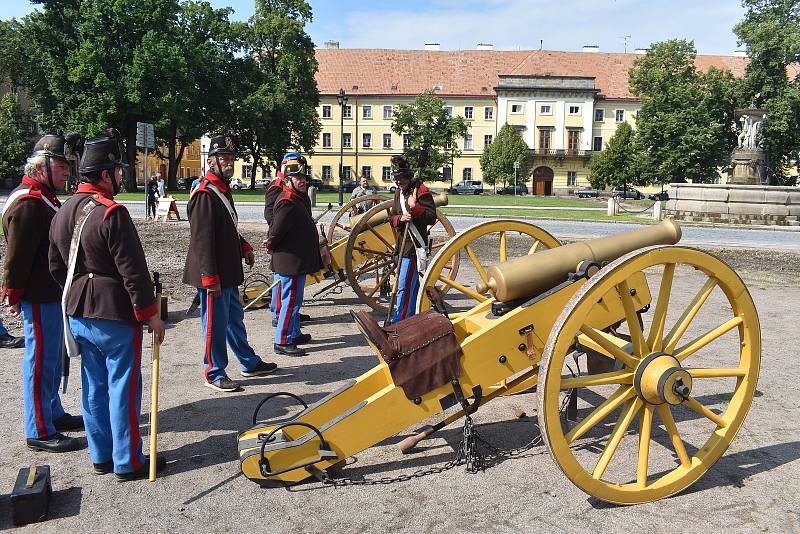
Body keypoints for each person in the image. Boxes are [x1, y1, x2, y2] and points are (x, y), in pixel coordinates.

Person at [49, 128, 167, 480]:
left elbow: (56, 266)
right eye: (117, 171)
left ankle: (100, 455)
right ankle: (127, 460)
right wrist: (150, 316)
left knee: (94, 386)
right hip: (114, 315)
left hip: (78, 312)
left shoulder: (63, 211)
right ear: (104, 175)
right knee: (124, 388)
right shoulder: (111, 213)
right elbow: (134, 272)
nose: (120, 177)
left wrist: (75, 295)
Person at [2, 133, 85, 453]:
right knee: (39, 361)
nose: (67, 171)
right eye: (61, 165)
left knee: (51, 359)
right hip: (38, 295)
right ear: (41, 167)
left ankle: (51, 412)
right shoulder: (28, 201)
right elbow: (17, 256)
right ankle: (38, 428)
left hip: (51, 293)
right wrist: (13, 293)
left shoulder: (43, 197)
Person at [183, 133, 277, 392]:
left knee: (234, 319)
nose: (229, 162)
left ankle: (248, 361)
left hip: (228, 269)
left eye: (231, 157)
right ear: (210, 161)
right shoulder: (205, 193)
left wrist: (243, 244)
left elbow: (225, 228)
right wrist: (209, 278)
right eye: (224, 157)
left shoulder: (221, 189)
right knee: (214, 324)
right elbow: (203, 240)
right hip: (214, 273)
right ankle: (213, 372)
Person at [264, 155, 322, 356]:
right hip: (290, 260)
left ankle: (292, 334)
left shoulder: (296, 198)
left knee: (295, 301)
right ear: (288, 180)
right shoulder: (287, 201)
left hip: (296, 260)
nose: (303, 180)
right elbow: (276, 230)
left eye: (303, 177)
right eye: (297, 178)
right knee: (289, 302)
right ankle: (282, 340)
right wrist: (270, 243)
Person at [263, 152, 311, 328]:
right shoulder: (278, 186)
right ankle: (278, 313)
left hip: (292, 235)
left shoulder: (297, 186)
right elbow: (270, 213)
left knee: (292, 292)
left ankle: (292, 317)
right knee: (282, 284)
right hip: (283, 239)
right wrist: (277, 233)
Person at [388, 155, 436, 324]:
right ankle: (408, 321)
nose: (398, 181)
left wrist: (415, 208)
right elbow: (392, 216)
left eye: (400, 178)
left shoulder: (421, 191)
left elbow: (431, 217)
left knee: (405, 289)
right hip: (402, 245)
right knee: (407, 288)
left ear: (407, 176)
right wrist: (400, 219)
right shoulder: (398, 193)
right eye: (396, 178)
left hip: (414, 247)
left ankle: (399, 322)